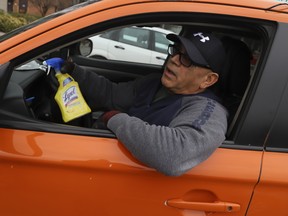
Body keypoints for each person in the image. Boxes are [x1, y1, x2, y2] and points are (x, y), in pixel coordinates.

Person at [50, 30, 228, 176]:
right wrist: (75, 71)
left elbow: (175, 155)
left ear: (208, 80)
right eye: (176, 51)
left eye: (187, 59)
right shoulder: (153, 83)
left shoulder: (209, 112)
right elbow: (111, 94)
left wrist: (114, 118)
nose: (174, 59)